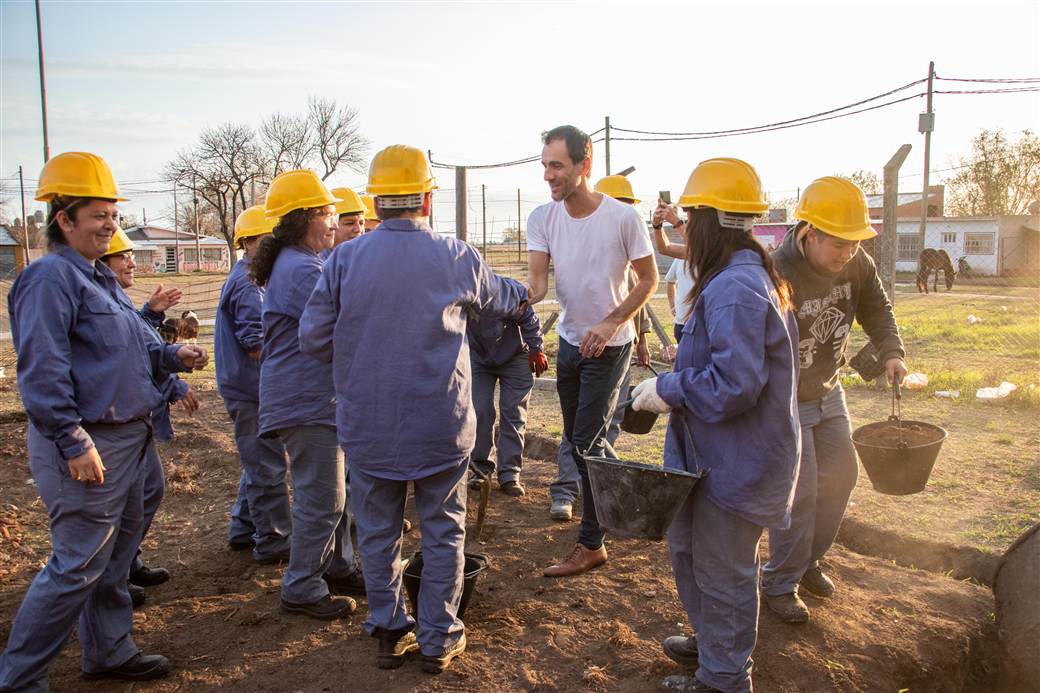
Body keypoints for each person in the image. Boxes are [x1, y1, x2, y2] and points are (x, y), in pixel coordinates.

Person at [299, 144, 528, 673]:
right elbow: (503, 295)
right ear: (427, 198)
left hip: (368, 426)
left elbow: (313, 339)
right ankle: (439, 636)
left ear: (376, 203)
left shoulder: (343, 259)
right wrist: (527, 291)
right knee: (445, 529)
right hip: (440, 426)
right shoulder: (456, 256)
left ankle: (388, 627)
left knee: (378, 532)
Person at [0, 152, 208, 690]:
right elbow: (41, 372)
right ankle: (20, 678)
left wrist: (171, 358)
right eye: (98, 216)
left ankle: (109, 651)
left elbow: (131, 351)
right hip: (92, 441)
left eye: (113, 215)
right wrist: (71, 440)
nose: (110, 225)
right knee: (77, 563)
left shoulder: (101, 280)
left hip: (131, 437)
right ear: (64, 219)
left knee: (114, 556)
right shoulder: (50, 279)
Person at [630, 157, 801, 693]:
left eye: (688, 220)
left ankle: (724, 679)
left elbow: (735, 384)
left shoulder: (733, 287)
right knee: (690, 551)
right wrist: (684, 360)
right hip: (714, 458)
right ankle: (712, 644)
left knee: (725, 572)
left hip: (737, 463)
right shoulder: (739, 276)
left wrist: (667, 389)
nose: (683, 229)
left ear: (706, 221)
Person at [761, 176, 907, 623]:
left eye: (854, 243)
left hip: (829, 390)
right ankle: (779, 582)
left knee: (842, 477)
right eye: (839, 244)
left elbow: (877, 308)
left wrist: (892, 352)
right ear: (809, 234)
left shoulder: (856, 262)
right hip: (786, 399)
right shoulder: (775, 271)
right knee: (800, 494)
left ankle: (808, 563)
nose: (848, 252)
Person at [527, 126, 657, 577]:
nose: (548, 175)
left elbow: (648, 280)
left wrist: (611, 322)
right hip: (568, 343)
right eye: (544, 165)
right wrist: (501, 297)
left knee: (584, 441)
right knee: (586, 439)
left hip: (610, 346)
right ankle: (633, 496)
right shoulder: (542, 217)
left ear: (585, 166)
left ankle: (592, 544)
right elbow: (538, 285)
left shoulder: (623, 218)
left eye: (557, 165)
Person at [250, 169, 361, 621]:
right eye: (328, 213)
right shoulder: (302, 271)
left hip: (315, 397)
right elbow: (348, 321)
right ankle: (301, 584)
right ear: (304, 219)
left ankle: (336, 566)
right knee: (324, 498)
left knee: (334, 493)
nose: (335, 221)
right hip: (306, 400)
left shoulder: (301, 263)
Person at [98, 229, 198, 607]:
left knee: (148, 491)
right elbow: (133, 354)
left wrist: (152, 313)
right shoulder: (97, 297)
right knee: (129, 501)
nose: (131, 261)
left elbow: (142, 344)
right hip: (115, 423)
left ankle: (126, 564)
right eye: (123, 255)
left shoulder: (116, 298)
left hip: (137, 420)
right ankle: (113, 577)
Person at [547, 174, 653, 523]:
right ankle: (569, 490)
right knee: (579, 430)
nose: (624, 213)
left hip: (616, 346)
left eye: (628, 207)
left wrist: (641, 339)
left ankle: (608, 495)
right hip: (578, 343)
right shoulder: (579, 232)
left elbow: (636, 296)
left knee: (604, 425)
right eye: (618, 204)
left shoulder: (628, 236)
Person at [216, 206, 292, 562]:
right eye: (265, 241)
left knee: (257, 462)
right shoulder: (248, 283)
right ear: (245, 242)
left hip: (246, 388)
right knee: (267, 467)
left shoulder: (250, 276)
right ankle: (274, 542)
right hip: (252, 390)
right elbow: (255, 343)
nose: (271, 248)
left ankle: (243, 528)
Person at [467, 303, 545, 497]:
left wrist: (536, 348)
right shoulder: (459, 292)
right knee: (480, 411)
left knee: (513, 412)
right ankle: (481, 468)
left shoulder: (505, 292)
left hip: (516, 356)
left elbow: (528, 316)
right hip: (478, 357)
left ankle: (510, 474)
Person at [664, 257, 695, 343]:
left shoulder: (712, 258)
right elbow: (670, 281)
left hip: (702, 325)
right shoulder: (680, 258)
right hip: (681, 324)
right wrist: (672, 305)